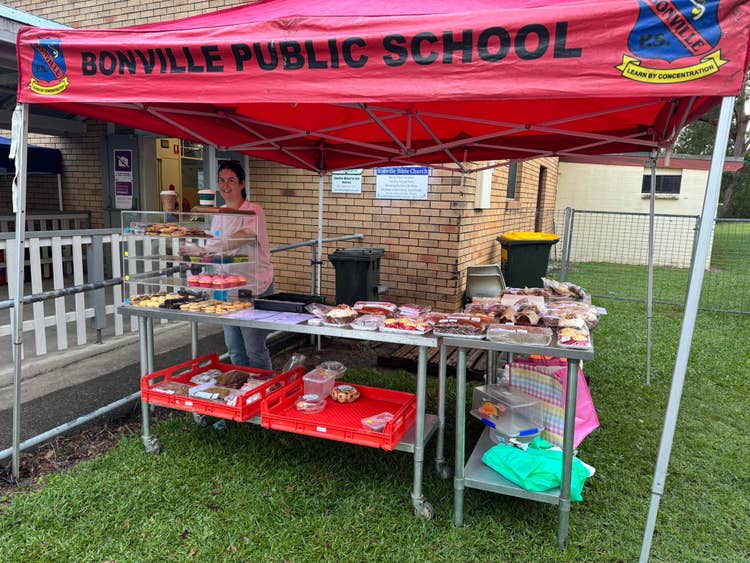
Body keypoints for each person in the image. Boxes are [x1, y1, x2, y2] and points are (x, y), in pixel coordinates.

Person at [209, 160, 274, 370]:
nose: (225, 185)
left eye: (231, 180)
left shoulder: (253, 211)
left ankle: (264, 391)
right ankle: (244, 389)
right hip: (229, 290)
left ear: (242, 184)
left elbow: (243, 236)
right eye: (221, 180)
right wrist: (198, 250)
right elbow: (212, 243)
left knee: (254, 348)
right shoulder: (218, 214)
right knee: (234, 348)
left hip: (255, 287)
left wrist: (211, 248)